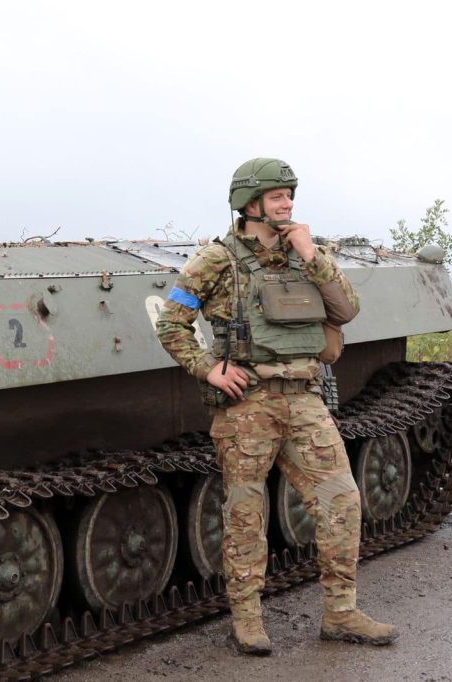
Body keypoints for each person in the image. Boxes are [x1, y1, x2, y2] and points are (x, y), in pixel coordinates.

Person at [155, 158, 397, 655]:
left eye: (291, 195)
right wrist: (208, 368)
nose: (288, 203)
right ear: (250, 204)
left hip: (306, 399)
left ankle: (341, 613)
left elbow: (347, 310)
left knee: (342, 502)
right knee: (246, 512)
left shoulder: (309, 253)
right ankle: (247, 620)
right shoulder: (215, 260)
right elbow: (171, 323)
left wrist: (311, 253)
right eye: (278, 196)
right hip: (248, 404)